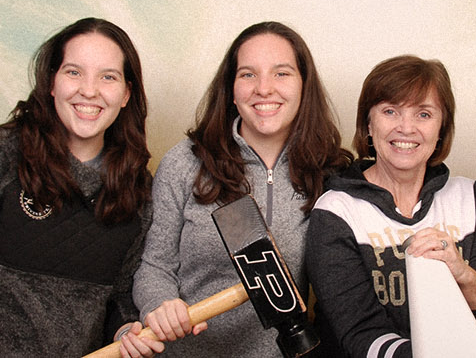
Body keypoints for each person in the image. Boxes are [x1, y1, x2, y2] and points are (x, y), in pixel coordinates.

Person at [0, 18, 156, 357]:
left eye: (108, 77)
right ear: (51, 82)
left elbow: (122, 298)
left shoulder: (139, 190)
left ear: (126, 94)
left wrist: (127, 331)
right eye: (74, 72)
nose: (90, 90)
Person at [128, 21, 352, 356]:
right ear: (230, 89)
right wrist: (159, 304)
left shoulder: (331, 174)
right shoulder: (186, 162)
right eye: (248, 74)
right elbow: (155, 264)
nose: (264, 88)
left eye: (281, 73)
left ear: (304, 86)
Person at [307, 55, 476, 357]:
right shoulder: (336, 210)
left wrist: (462, 272)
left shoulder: (467, 195)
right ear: (369, 124)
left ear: (442, 128)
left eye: (424, 114)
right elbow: (359, 334)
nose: (406, 128)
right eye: (390, 111)